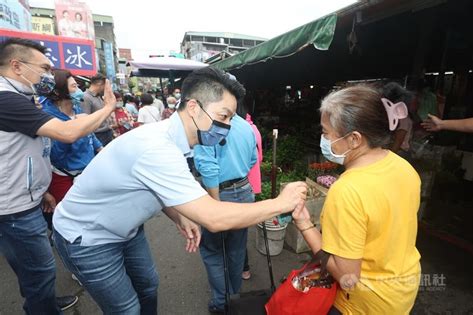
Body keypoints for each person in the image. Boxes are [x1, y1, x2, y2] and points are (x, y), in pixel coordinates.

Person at [52, 67, 307, 314]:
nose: (227, 127)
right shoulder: (157, 147)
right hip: (88, 237)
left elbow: (156, 186)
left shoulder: (178, 141)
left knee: (148, 286)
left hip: (125, 229)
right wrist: (281, 203)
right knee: (126, 308)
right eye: (223, 116)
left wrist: (178, 214)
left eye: (230, 118)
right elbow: (214, 218)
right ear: (194, 107)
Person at [0, 38, 115, 314]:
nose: (48, 76)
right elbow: (68, 133)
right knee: (39, 269)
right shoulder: (5, 99)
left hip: (26, 198)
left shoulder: (22, 97)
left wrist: (42, 191)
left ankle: (45, 301)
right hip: (14, 209)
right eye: (44, 68)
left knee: (36, 271)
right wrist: (108, 107)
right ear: (17, 66)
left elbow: (31, 152)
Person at [292, 84, 421, 314]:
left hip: (365, 302)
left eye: (325, 132)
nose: (322, 139)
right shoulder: (403, 167)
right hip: (402, 290)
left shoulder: (348, 190)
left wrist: (305, 225)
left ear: (354, 139)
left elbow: (346, 275)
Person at [193, 112, 257, 313]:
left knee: (213, 251)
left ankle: (222, 302)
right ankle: (234, 295)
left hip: (219, 192)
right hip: (244, 189)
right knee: (236, 248)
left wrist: (215, 204)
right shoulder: (245, 125)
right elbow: (254, 158)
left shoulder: (210, 125)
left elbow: (208, 167)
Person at [39, 68, 103, 230]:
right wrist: (72, 130)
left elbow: (90, 135)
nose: (79, 90)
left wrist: (100, 148)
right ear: (60, 90)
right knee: (71, 220)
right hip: (63, 176)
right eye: (74, 86)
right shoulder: (47, 116)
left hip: (87, 171)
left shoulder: (77, 110)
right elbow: (57, 156)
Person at [242, 111, 263, 280]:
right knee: (242, 230)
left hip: (241, 184)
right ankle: (245, 268)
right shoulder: (254, 129)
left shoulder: (237, 129)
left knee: (236, 231)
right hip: (252, 182)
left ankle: (243, 267)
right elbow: (259, 157)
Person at [383, 82, 414, 159]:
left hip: (400, 153)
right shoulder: (399, 114)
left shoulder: (402, 118)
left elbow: (398, 142)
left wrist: (387, 159)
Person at [82, 73, 114, 146]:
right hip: (98, 135)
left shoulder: (98, 96)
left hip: (107, 133)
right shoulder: (85, 97)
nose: (107, 88)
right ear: (100, 83)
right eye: (105, 85)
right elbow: (85, 119)